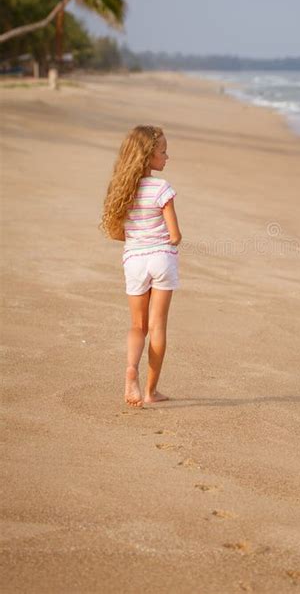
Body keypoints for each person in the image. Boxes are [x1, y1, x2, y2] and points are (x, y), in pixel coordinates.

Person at [99, 125, 182, 407]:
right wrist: (170, 242)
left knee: (138, 325)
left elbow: (115, 231)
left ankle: (130, 369)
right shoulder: (162, 188)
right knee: (158, 327)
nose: (167, 157)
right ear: (148, 157)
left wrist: (135, 237)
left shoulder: (121, 188)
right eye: (163, 152)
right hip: (161, 258)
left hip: (134, 260)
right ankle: (150, 391)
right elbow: (175, 235)